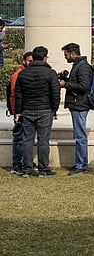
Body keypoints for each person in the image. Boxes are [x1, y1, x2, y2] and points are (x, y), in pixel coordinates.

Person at [15, 46, 60, 177]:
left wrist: (19, 111)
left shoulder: (23, 73)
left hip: (27, 110)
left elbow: (18, 94)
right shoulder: (50, 73)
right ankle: (43, 169)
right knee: (43, 140)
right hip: (45, 110)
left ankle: (27, 169)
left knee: (27, 140)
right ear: (45, 58)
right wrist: (54, 108)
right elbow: (55, 93)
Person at [60, 43, 93, 176]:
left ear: (73, 54)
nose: (65, 57)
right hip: (77, 104)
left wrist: (65, 84)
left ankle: (81, 165)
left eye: (66, 55)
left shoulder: (83, 67)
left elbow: (84, 86)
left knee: (80, 136)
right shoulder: (79, 65)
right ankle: (81, 164)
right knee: (79, 135)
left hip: (80, 104)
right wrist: (65, 80)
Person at [6, 51, 33, 175]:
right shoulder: (18, 74)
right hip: (20, 111)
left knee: (25, 138)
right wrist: (16, 112)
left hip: (25, 110)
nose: (31, 63)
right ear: (24, 61)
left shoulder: (26, 73)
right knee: (18, 138)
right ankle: (16, 164)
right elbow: (13, 95)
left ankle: (24, 162)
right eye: (29, 60)